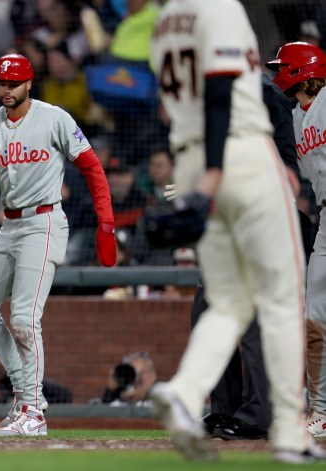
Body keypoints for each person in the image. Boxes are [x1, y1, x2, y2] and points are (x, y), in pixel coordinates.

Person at [149, 0, 323, 464]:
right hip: (240, 158)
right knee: (283, 299)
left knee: (225, 302)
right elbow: (224, 90)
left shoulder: (163, 23)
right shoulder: (220, 9)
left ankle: (185, 392)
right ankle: (288, 428)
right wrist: (213, 173)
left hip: (190, 158)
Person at [0, 53, 116, 437]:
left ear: (30, 83)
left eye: (13, 83)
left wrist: (106, 222)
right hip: (9, 226)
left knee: (25, 318)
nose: (6, 89)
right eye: (1, 83)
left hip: (44, 222)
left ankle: (32, 410)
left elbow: (92, 168)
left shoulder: (54, 117)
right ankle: (27, 394)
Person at [266, 41, 326, 440]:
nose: (276, 73)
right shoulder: (296, 119)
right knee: (315, 317)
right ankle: (320, 410)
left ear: (301, 71)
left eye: (282, 66)